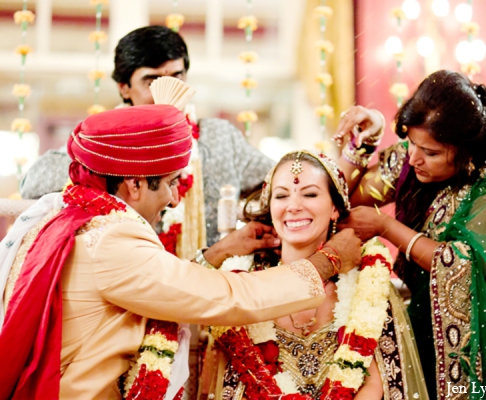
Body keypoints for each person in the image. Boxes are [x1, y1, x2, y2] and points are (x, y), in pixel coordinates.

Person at [0, 105, 361, 399]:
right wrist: (326, 262)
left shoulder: (64, 218)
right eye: (172, 182)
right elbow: (229, 296)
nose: (175, 198)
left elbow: (162, 282)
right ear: (135, 183)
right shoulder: (111, 239)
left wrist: (218, 251)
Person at [332, 70, 486, 399]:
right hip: (426, 335)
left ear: (465, 148)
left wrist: (386, 227)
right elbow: (339, 199)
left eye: (431, 152)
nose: (414, 158)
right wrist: (364, 141)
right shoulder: (412, 162)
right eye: (411, 143)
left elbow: (465, 264)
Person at [201, 151, 428, 400]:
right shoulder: (244, 281)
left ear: (335, 208)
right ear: (270, 207)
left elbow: (375, 383)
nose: (294, 206)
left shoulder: (365, 280)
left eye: (310, 194)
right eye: (281, 196)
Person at [19, 25, 274, 247]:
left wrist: (244, 211)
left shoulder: (219, 137)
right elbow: (32, 183)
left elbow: (275, 181)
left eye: (177, 77)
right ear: (124, 88)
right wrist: (122, 147)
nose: (168, 90)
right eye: (151, 81)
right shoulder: (102, 141)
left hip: (209, 282)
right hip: (130, 278)